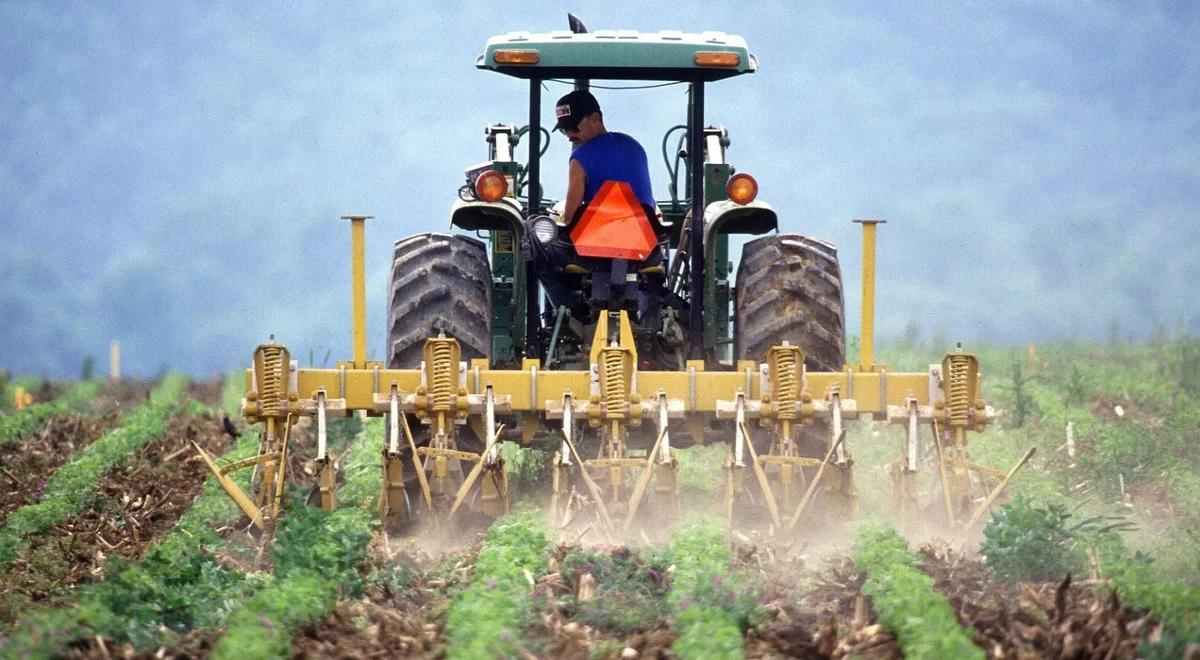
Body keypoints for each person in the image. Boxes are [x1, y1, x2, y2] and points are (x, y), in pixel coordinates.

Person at [526, 89, 666, 322]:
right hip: (644, 250)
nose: (570, 135)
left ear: (595, 118)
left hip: (592, 253)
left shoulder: (579, 158)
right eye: (564, 130)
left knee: (535, 247)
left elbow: (569, 217)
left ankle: (569, 313)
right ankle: (652, 319)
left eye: (574, 127)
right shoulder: (635, 147)